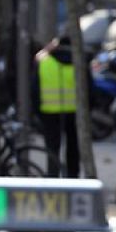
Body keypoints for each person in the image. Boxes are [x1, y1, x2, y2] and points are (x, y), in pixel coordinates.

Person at [32, 33, 82, 178]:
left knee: (52, 147)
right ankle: (73, 176)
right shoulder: (79, 61)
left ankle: (53, 176)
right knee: (73, 148)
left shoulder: (45, 62)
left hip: (49, 112)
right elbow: (89, 90)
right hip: (73, 112)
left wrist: (37, 111)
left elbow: (34, 89)